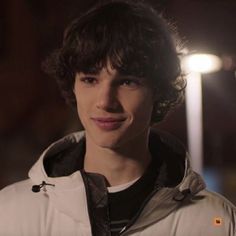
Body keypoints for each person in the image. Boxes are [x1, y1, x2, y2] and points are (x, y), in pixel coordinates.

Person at [0, 1, 235, 235]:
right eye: (90, 79)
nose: (105, 101)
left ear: (158, 90)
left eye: (127, 81)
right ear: (73, 87)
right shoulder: (10, 213)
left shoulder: (215, 221)